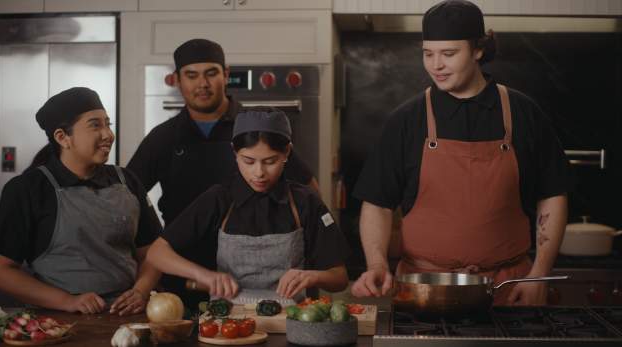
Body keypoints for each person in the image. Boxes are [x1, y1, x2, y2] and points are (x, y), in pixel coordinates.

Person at [351, 0, 570, 306]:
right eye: (428, 54)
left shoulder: (523, 113)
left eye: (448, 54)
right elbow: (377, 203)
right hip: (422, 290)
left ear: (478, 50)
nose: (435, 65)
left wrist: (538, 275)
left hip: (509, 289)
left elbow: (553, 194)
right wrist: (376, 265)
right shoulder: (406, 120)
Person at [147, 108, 349, 303]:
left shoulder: (306, 202)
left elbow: (339, 278)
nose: (259, 172)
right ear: (235, 152)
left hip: (291, 322)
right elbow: (157, 253)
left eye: (270, 161)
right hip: (228, 325)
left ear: (287, 152)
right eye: (248, 161)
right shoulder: (219, 198)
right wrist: (204, 275)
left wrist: (312, 277)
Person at [0, 87, 162, 315]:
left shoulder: (127, 181)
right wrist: (67, 301)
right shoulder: (26, 190)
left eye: (108, 124)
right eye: (95, 125)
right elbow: (0, 271)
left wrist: (140, 291)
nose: (108, 134)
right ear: (63, 137)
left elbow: (152, 252)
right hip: (57, 321)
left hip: (127, 317)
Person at [126, 38, 318, 226]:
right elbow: (126, 196)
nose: (203, 84)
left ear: (225, 75)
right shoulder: (163, 138)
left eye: (211, 73)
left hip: (251, 250)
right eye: (192, 75)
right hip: (179, 252)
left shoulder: (259, 127)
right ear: (177, 80)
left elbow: (311, 194)